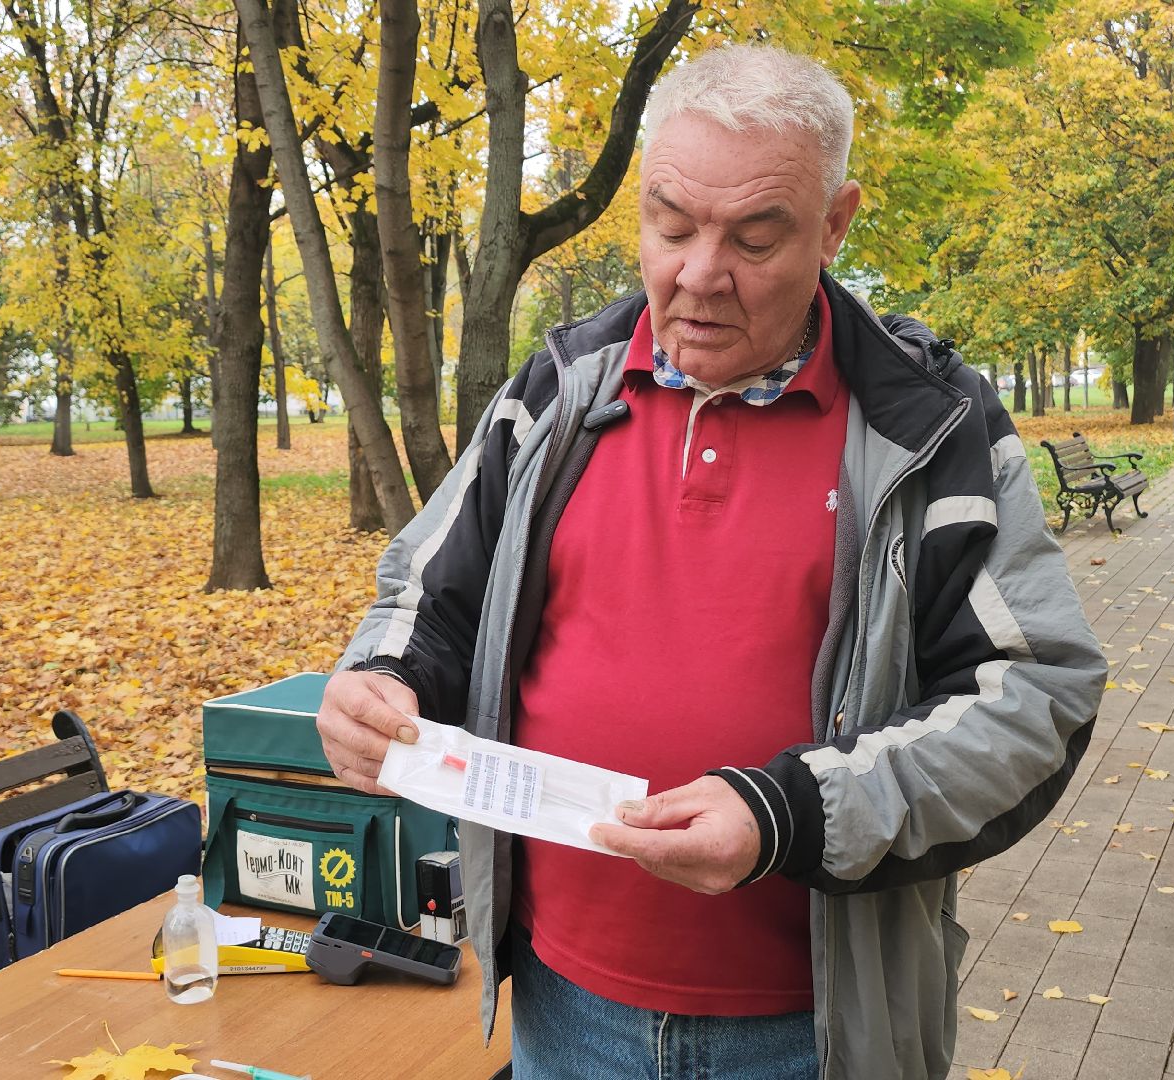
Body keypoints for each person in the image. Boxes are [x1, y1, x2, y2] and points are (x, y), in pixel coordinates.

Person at [318, 43, 1105, 1080]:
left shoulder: (930, 426)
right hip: (562, 1007)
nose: (697, 273)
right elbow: (428, 592)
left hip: (813, 1031)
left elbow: (1035, 699)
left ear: (834, 224)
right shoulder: (554, 393)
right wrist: (382, 676)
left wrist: (787, 814)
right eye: (671, 224)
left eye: (754, 236)